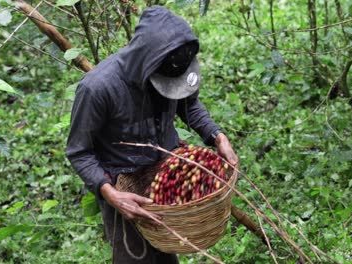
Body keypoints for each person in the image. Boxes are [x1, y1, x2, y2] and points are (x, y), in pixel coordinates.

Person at [66, 5, 238, 264]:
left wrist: (217, 136)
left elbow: (188, 104)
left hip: (163, 173)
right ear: (145, 66)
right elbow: (79, 152)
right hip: (125, 189)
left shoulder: (172, 67)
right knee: (135, 258)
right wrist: (111, 195)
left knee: (167, 253)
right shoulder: (98, 89)